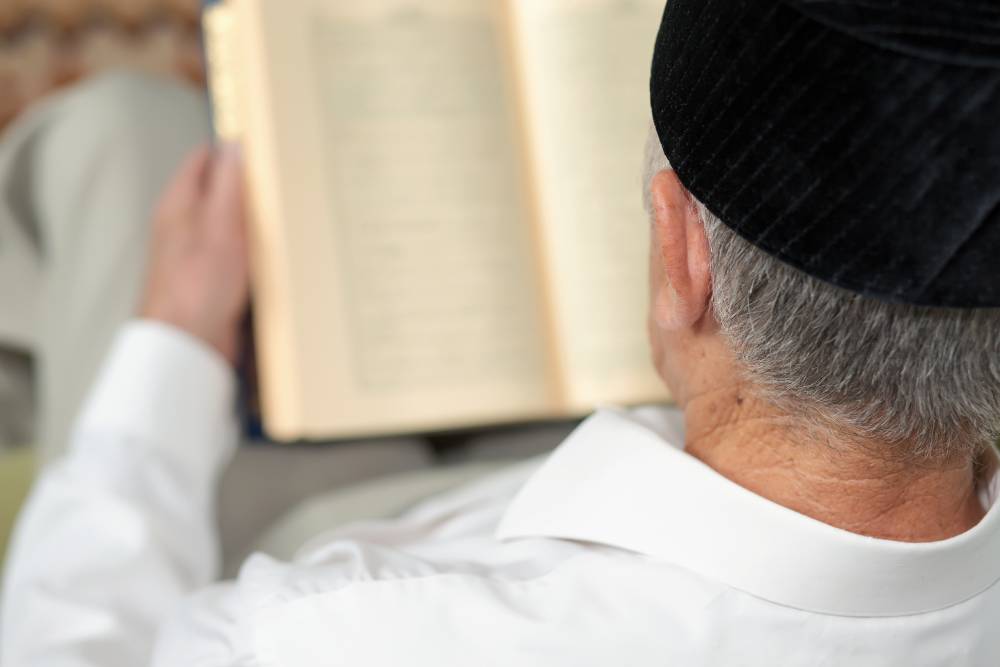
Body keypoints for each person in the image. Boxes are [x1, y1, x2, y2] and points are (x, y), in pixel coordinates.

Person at [3, 0, 1000, 664]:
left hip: (297, 524)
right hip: (552, 485)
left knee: (118, 131)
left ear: (682, 257)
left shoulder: (319, 634)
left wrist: (172, 344)